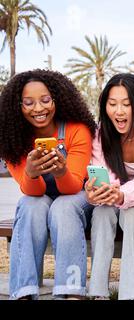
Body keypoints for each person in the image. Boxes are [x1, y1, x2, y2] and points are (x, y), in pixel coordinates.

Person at [0, 69, 96, 300]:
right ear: (18, 106)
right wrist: (31, 175)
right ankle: (23, 292)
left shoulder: (76, 131)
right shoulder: (11, 139)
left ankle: (71, 291)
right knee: (30, 205)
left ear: (56, 100)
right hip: (39, 199)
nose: (38, 109)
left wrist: (61, 171)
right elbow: (33, 192)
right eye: (28, 103)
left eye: (45, 100)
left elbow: (73, 187)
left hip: (77, 197)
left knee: (63, 206)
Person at [85, 73, 134, 300]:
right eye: (112, 104)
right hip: (114, 199)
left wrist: (120, 195)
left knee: (131, 212)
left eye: (126, 104)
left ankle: (133, 294)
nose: (119, 111)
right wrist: (96, 191)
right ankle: (98, 292)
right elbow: (103, 175)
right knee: (101, 212)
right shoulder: (100, 134)